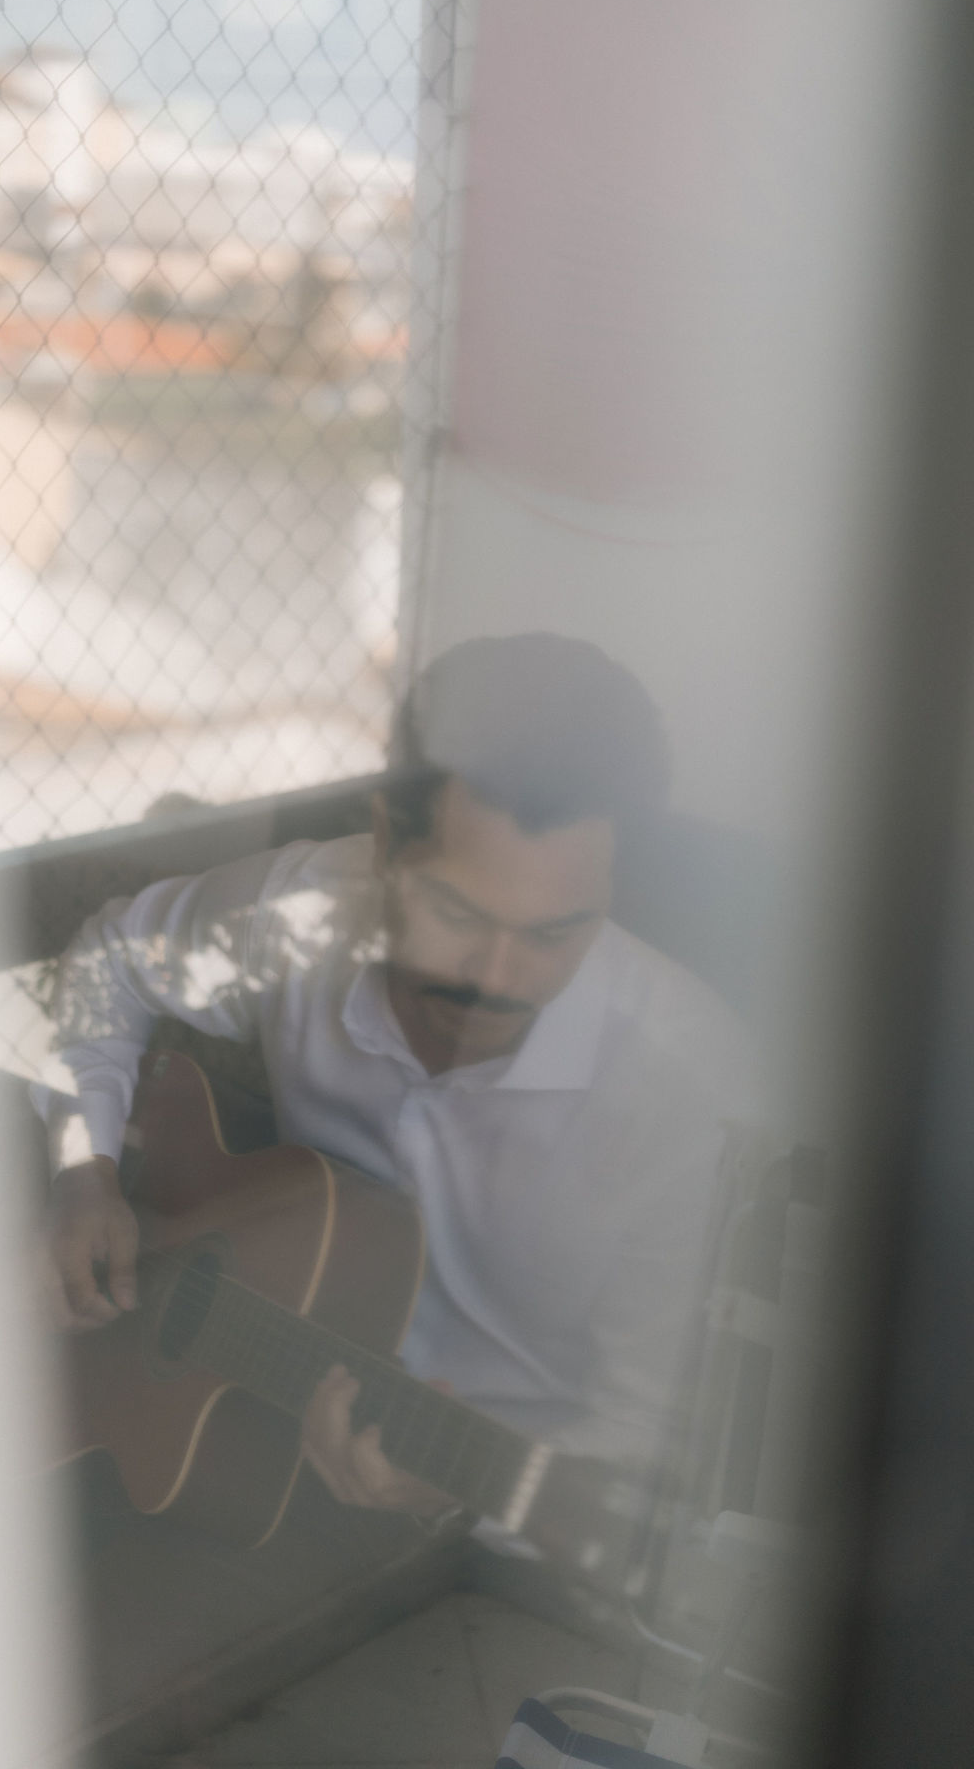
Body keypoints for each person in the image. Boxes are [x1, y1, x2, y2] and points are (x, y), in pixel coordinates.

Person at [41, 633, 757, 1538]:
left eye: (554, 934)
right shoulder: (305, 913)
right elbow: (108, 964)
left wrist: (466, 1497)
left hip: (481, 1529)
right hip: (241, 1422)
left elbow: (646, 1453)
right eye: (457, 912)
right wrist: (85, 1169)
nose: (497, 979)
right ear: (385, 843)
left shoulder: (693, 1100)